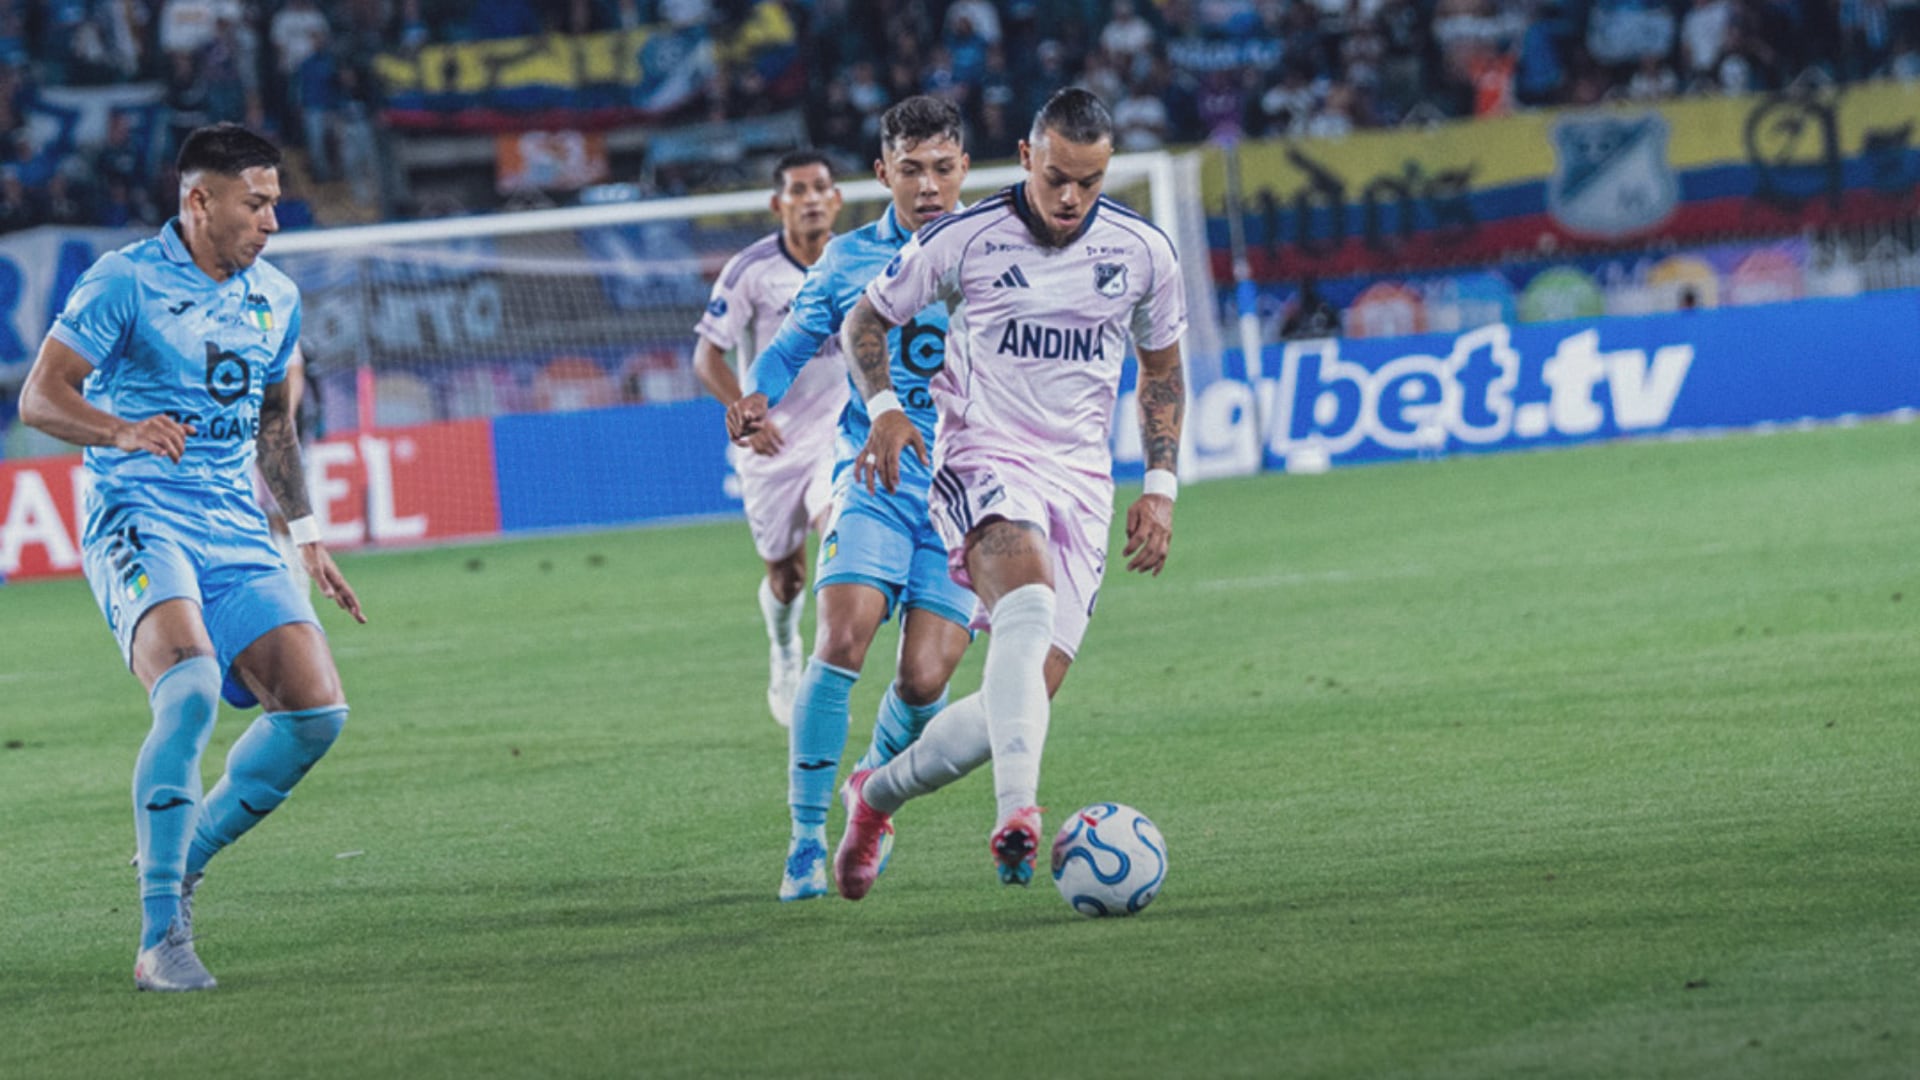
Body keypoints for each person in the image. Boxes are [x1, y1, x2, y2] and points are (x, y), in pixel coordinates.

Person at [19, 123, 365, 992]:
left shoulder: (276, 296)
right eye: (257, 204)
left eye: (275, 203)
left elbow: (275, 424)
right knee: (188, 692)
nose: (272, 223)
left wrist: (308, 533)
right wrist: (121, 429)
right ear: (199, 201)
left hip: (234, 523)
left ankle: (180, 857)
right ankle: (159, 940)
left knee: (316, 713)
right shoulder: (124, 280)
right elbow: (40, 395)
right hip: (136, 511)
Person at [827, 87, 1187, 898]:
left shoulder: (1143, 253)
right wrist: (885, 409)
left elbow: (1161, 370)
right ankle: (1018, 813)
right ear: (1027, 156)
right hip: (983, 452)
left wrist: (1159, 487)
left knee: (1014, 700)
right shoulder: (964, 240)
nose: (1071, 198)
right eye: (1057, 176)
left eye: (1090, 183)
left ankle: (873, 794)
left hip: (1081, 480)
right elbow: (864, 322)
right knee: (1023, 600)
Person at [724, 96, 977, 902]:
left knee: (927, 680)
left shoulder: (998, 252)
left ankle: (870, 789)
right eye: (911, 170)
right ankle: (803, 841)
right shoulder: (847, 261)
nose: (929, 185)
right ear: (883, 174)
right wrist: (756, 394)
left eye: (942, 167)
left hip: (971, 487)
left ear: (964, 168)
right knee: (842, 638)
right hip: (872, 474)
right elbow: (790, 346)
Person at [692, 149, 846, 727]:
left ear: (836, 198)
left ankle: (834, 671)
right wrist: (747, 416)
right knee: (787, 576)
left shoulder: (855, 261)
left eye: (820, 188)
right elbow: (707, 356)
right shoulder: (751, 269)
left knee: (841, 532)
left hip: (839, 433)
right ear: (778, 203)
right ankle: (785, 650)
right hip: (773, 442)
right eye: (797, 190)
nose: (809, 199)